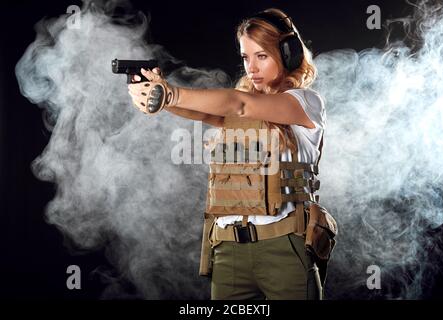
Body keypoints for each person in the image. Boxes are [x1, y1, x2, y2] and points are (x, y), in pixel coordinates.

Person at [128, 8, 330, 300]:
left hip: (283, 247)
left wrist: (171, 93)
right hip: (227, 250)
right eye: (246, 58)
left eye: (262, 55)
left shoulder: (305, 102)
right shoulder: (243, 103)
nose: (252, 67)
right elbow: (207, 110)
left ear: (289, 53)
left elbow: (239, 105)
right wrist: (157, 97)